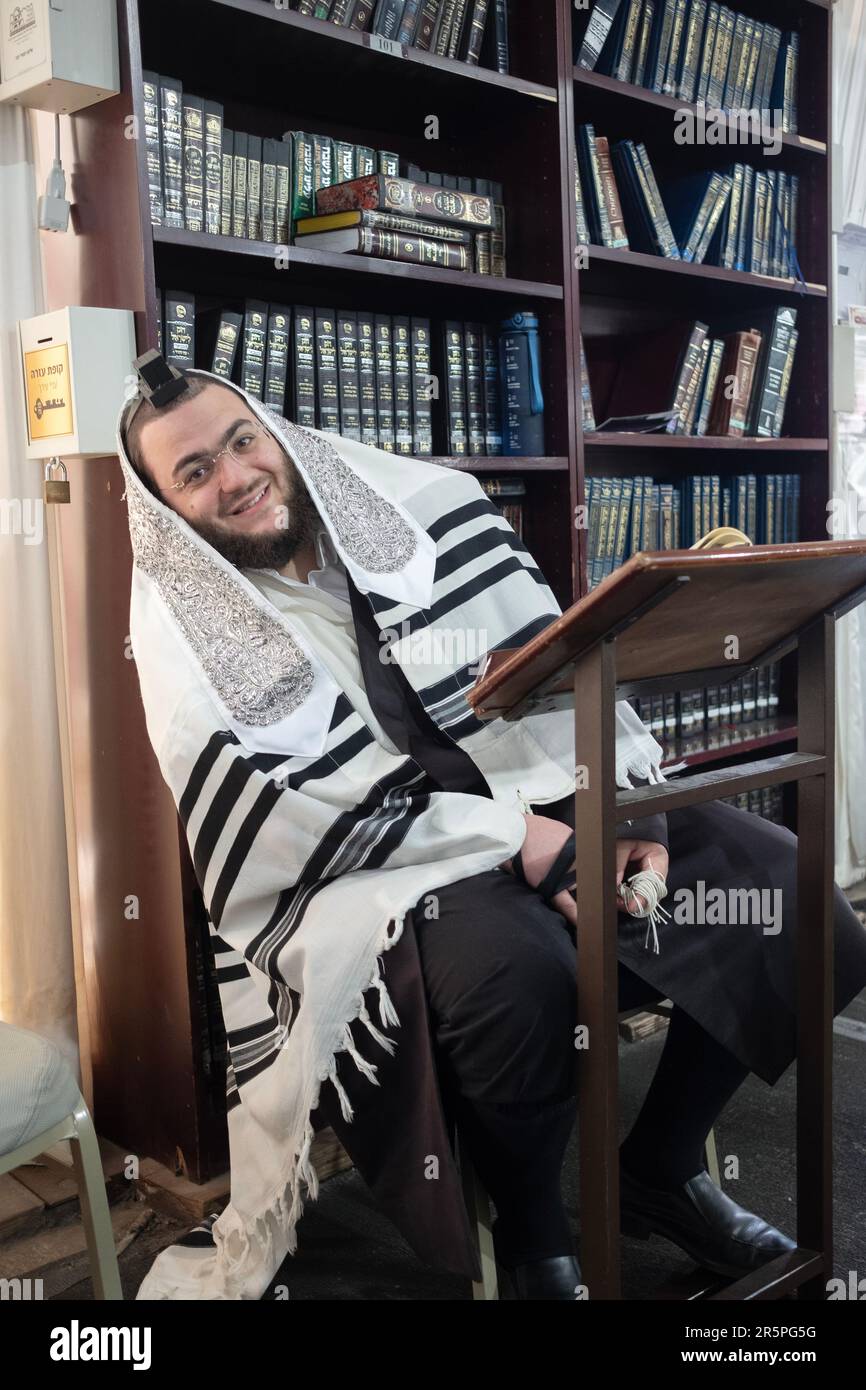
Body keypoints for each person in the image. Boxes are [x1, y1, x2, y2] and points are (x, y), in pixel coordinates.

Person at [117, 359, 866, 1301]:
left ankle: (662, 1169)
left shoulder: (433, 510)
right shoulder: (184, 641)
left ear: (275, 433)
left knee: (786, 897)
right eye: (194, 473)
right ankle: (533, 1233)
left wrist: (640, 811)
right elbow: (296, 813)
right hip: (385, 873)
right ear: (165, 515)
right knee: (520, 978)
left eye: (240, 440)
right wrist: (525, 844)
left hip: (548, 795)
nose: (234, 475)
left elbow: (566, 658)